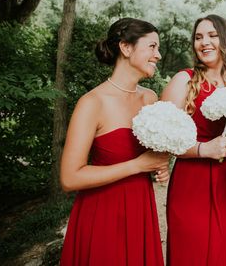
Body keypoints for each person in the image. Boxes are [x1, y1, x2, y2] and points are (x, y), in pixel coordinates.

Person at [60, 18, 170, 265]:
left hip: (140, 209)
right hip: (102, 213)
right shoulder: (92, 103)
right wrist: (138, 166)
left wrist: (160, 166)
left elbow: (151, 156)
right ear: (126, 48)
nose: (158, 55)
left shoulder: (151, 99)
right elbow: (69, 178)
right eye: (152, 47)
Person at [161, 14, 226, 266]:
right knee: (194, 251)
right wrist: (204, 149)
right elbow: (163, 140)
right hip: (193, 182)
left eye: (212, 35)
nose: (204, 42)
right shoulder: (184, 80)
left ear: (225, 40)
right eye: (198, 37)